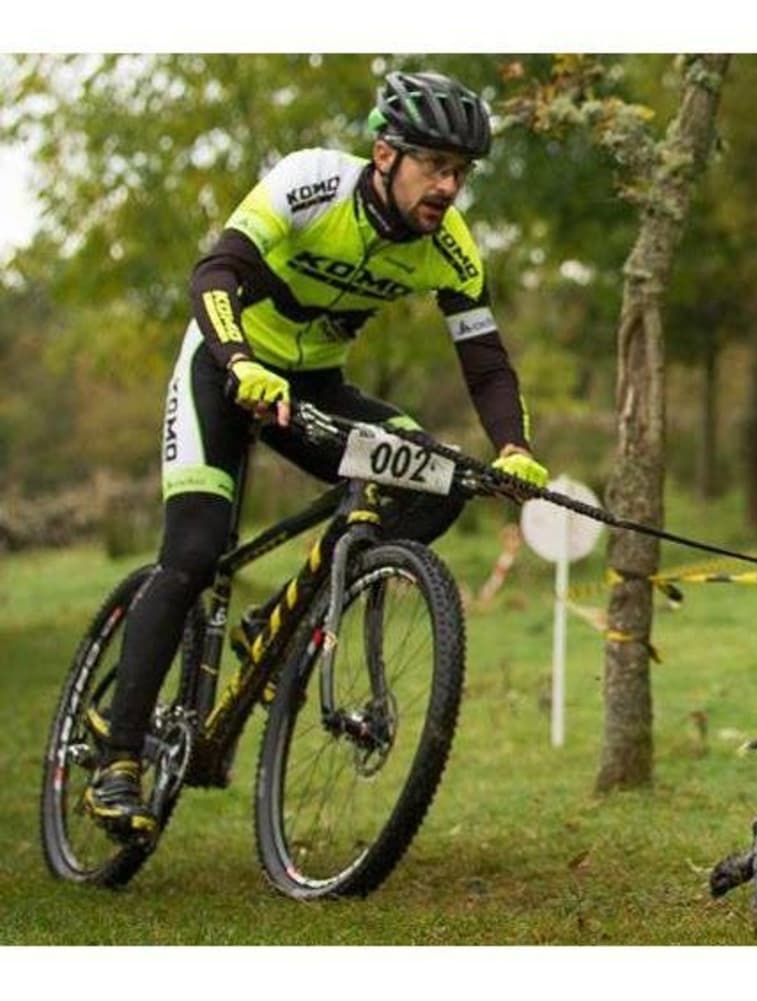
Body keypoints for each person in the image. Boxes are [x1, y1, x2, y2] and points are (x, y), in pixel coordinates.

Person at [83, 70, 549, 840]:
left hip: (313, 388)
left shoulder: (450, 248)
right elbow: (215, 273)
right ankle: (119, 760)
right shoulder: (310, 184)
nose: (449, 186)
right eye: (435, 165)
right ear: (384, 154)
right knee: (195, 552)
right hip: (222, 367)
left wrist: (514, 448)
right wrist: (239, 361)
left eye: (461, 172)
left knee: (439, 479)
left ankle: (279, 624)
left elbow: (487, 362)